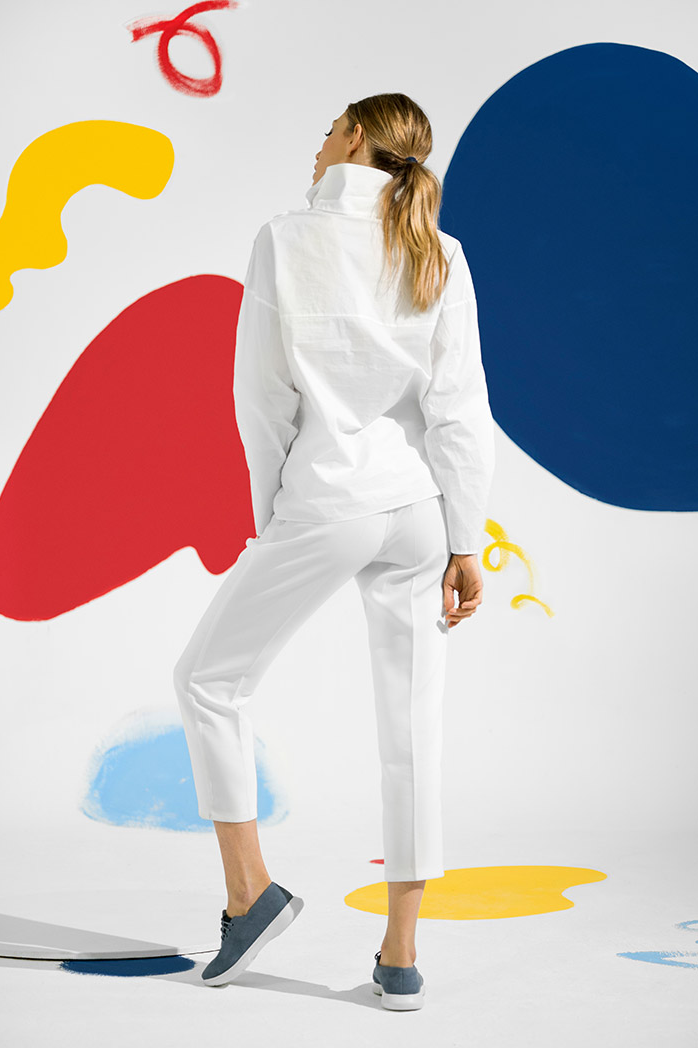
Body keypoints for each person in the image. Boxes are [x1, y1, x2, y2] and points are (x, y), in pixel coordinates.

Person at [173, 92, 496, 1009]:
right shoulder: (441, 250)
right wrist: (466, 539)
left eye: (326, 131)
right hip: (420, 509)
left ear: (354, 137)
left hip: (329, 498)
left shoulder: (287, 238)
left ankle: (250, 896)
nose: (315, 146)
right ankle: (400, 957)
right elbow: (460, 408)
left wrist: (271, 513)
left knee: (207, 681)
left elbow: (261, 397)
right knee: (413, 728)